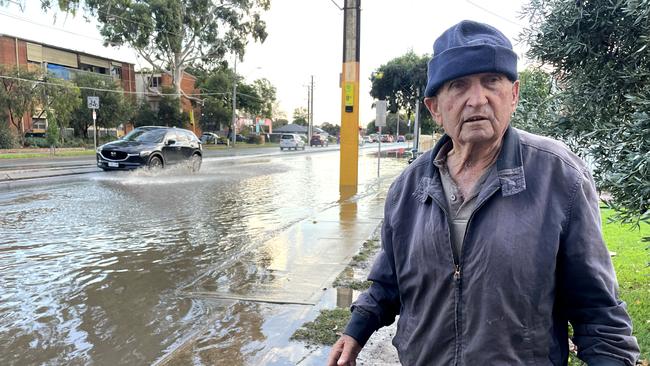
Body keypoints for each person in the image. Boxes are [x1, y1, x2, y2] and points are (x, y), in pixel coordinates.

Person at [327, 20, 640, 366]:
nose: (477, 100)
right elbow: (389, 284)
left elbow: (599, 314)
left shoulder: (560, 178)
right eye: (459, 86)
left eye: (491, 81)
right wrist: (355, 331)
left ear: (514, 94)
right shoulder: (408, 189)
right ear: (435, 108)